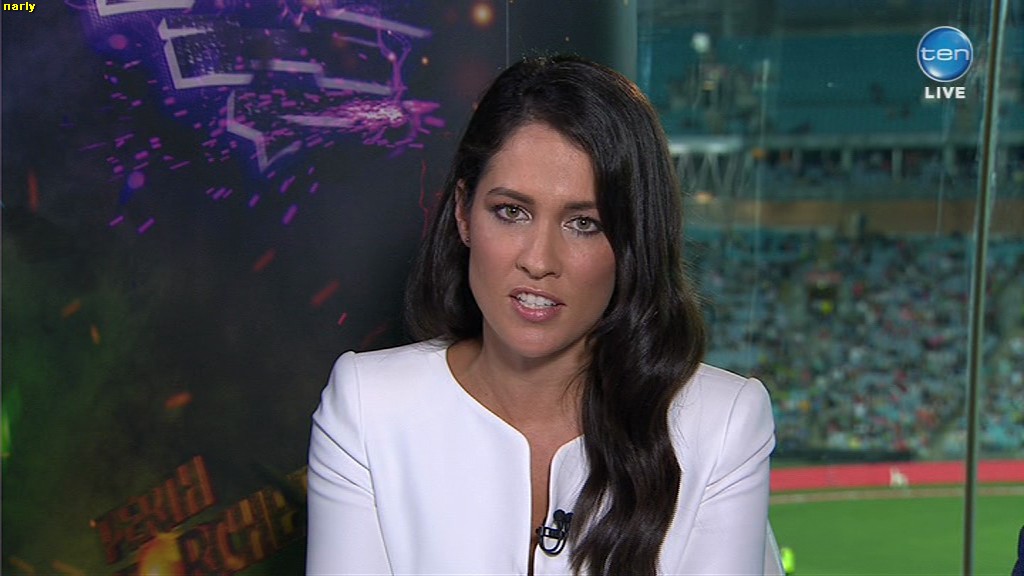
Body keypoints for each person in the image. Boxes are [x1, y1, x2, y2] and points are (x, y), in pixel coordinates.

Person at [307, 55, 780, 575]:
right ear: (463, 212)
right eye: (511, 212)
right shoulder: (367, 406)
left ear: (632, 241)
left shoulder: (723, 423)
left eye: (584, 223)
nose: (538, 260)